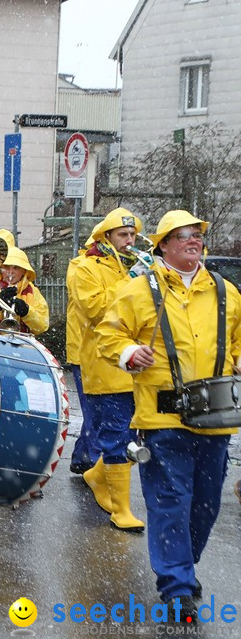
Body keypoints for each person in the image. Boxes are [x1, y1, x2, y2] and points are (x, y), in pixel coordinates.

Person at [97, 210, 240, 624]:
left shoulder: (226, 292)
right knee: (170, 503)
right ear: (163, 246)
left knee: (206, 506)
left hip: (217, 416)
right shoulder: (139, 290)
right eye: (183, 237)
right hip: (162, 418)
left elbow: (237, 340)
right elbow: (108, 332)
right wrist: (128, 352)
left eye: (196, 235)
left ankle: (182, 567)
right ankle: (177, 587)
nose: (193, 242)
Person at [70, 208, 147, 532]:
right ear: (106, 237)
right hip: (104, 361)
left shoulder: (139, 267)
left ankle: (97, 477)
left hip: (141, 364)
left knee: (133, 433)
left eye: (132, 235)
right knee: (115, 433)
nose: (129, 241)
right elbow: (97, 309)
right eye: (122, 236)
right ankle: (121, 509)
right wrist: (130, 282)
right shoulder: (84, 267)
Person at [68, 224, 101, 474]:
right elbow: (94, 308)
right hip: (83, 350)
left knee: (98, 413)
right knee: (92, 411)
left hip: (104, 351)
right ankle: (92, 461)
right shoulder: (79, 267)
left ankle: (82, 457)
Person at [0, 245, 48, 334]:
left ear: (24, 271)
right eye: (7, 267)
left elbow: (42, 327)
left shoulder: (33, 292)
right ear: (0, 269)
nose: (11, 272)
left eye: (16, 267)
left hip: (23, 345)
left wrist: (27, 311)